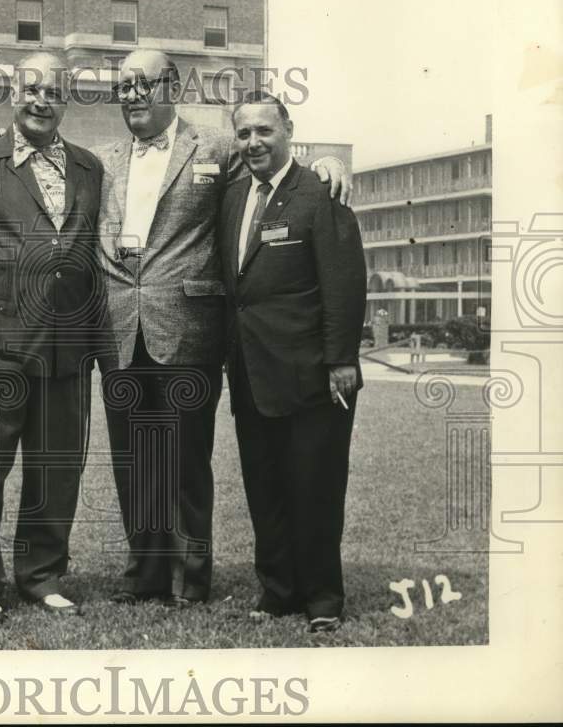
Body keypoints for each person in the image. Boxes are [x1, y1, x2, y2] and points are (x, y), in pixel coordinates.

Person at [95, 50, 350, 608]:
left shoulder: (214, 146)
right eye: (124, 87)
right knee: (134, 461)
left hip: (190, 328)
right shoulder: (102, 159)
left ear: (172, 86)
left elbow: (276, 173)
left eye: (144, 84)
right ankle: (144, 574)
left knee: (186, 461)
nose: (133, 95)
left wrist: (328, 162)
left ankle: (190, 579)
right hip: (118, 331)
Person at [0, 51, 104, 623]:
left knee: (58, 466)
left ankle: (42, 574)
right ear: (14, 92)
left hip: (66, 346)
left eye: (54, 92)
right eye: (32, 89)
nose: (42, 100)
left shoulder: (89, 167)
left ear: (68, 100)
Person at [218, 93, 366, 633]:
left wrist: (342, 361)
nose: (253, 142)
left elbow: (345, 283)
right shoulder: (234, 197)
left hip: (313, 377)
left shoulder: (321, 191)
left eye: (264, 130)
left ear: (288, 131)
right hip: (252, 376)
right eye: (243, 134)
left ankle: (323, 597)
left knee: (316, 487)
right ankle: (277, 591)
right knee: (265, 488)